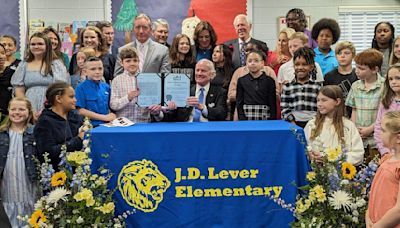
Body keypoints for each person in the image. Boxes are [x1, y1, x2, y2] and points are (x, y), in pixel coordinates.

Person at [11, 32, 70, 118]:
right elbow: (19, 89)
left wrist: (46, 107)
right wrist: (28, 109)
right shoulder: (24, 64)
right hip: (28, 106)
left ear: (47, 46)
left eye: (40, 44)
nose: (36, 46)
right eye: (33, 44)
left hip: (52, 105)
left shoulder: (56, 64)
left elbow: (59, 88)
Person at [0, 97, 38, 227]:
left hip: (28, 175)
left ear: (29, 112)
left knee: (29, 202)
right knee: (9, 203)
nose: (17, 112)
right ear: (8, 111)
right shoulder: (2, 133)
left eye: (21, 109)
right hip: (7, 176)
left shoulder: (34, 132)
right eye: (13, 109)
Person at [304, 85, 364, 165]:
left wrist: (332, 159)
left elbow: (358, 155)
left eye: (324, 100)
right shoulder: (312, 124)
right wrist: (310, 155)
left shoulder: (348, 126)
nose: (319, 104)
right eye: (318, 100)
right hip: (316, 173)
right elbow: (303, 147)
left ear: (337, 101)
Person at [346, 48, 385, 164]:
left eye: (361, 69)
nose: (357, 71)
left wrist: (370, 129)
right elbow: (354, 109)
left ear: (375, 69)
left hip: (377, 137)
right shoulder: (355, 86)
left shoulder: (384, 86)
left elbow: (385, 113)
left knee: (375, 167)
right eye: (356, 67)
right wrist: (354, 129)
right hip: (358, 137)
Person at [34, 82, 84, 169]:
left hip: (78, 172)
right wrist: (77, 141)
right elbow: (47, 152)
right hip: (56, 174)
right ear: (58, 98)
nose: (75, 100)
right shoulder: (45, 122)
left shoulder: (75, 116)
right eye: (71, 97)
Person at [163, 59, 227, 122]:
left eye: (203, 71)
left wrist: (203, 108)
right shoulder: (185, 90)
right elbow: (174, 116)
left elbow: (222, 114)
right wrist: (171, 109)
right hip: (187, 127)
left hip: (208, 128)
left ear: (212, 74)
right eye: (197, 70)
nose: (199, 73)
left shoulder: (220, 92)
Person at [110, 47, 163, 122]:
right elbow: (113, 105)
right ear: (121, 63)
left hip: (144, 123)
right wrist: (128, 98)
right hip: (123, 124)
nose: (132, 63)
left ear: (139, 62)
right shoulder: (116, 80)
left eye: (135, 60)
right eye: (128, 61)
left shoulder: (148, 80)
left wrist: (156, 111)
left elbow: (159, 113)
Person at [367, 111, 400, 227]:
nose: (379, 133)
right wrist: (368, 215)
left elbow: (398, 209)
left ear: (398, 138)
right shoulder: (386, 159)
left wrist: (379, 225)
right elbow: (375, 192)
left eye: (383, 130)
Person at [228, 42, 277, 120]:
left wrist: (272, 119)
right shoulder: (241, 80)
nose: (253, 63)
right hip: (247, 115)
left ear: (262, 63)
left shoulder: (269, 81)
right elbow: (239, 102)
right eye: (250, 61)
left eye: (256, 61)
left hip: (265, 115)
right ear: (246, 63)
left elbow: (272, 103)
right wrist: (242, 118)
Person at [281, 47, 322, 128]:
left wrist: (315, 122)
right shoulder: (287, 87)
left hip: (314, 124)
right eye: (297, 64)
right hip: (293, 124)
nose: (300, 67)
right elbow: (284, 108)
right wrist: (292, 122)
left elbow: (321, 107)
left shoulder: (317, 87)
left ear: (311, 67)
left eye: (304, 64)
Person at [75, 57, 116, 127]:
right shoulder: (80, 88)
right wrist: (104, 117)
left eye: (100, 68)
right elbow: (80, 110)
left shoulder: (106, 87)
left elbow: (111, 106)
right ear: (85, 72)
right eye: (93, 69)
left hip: (107, 125)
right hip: (89, 126)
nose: (97, 72)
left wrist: (112, 114)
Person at [324, 41, 358, 117]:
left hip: (355, 116)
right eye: (339, 53)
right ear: (335, 56)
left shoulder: (358, 75)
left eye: (346, 53)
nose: (342, 56)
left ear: (353, 56)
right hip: (334, 115)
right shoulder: (329, 76)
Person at [374, 64, 400, 156]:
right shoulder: (385, 102)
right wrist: (384, 150)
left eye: (398, 78)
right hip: (387, 153)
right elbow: (378, 127)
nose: (393, 82)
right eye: (391, 79)